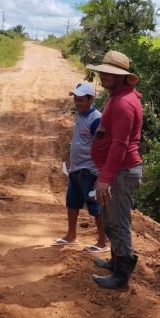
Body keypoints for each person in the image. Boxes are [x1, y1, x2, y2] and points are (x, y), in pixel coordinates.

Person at [87, 50, 143, 290]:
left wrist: (106, 178)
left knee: (118, 223)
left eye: (110, 73)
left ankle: (121, 276)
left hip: (121, 172)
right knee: (112, 221)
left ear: (122, 76)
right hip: (117, 171)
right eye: (102, 71)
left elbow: (120, 144)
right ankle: (117, 261)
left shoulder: (123, 103)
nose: (103, 76)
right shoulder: (119, 96)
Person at [51, 82, 107, 252]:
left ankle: (103, 242)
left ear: (91, 99)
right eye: (75, 99)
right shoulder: (80, 116)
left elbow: (102, 146)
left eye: (81, 100)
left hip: (89, 171)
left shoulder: (96, 119)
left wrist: (101, 172)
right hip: (76, 169)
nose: (77, 103)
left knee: (95, 206)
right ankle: (71, 235)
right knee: (72, 202)